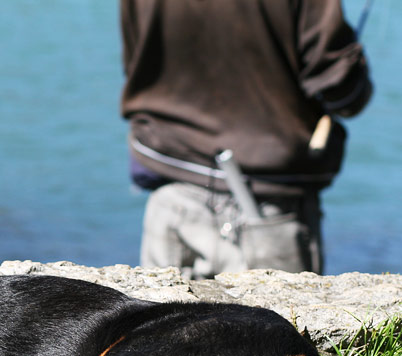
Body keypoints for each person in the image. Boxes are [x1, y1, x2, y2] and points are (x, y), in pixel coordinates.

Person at [120, 0, 373, 279]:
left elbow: (134, 60)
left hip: (170, 193)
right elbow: (342, 91)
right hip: (269, 208)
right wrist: (357, 76)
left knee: (161, 321)